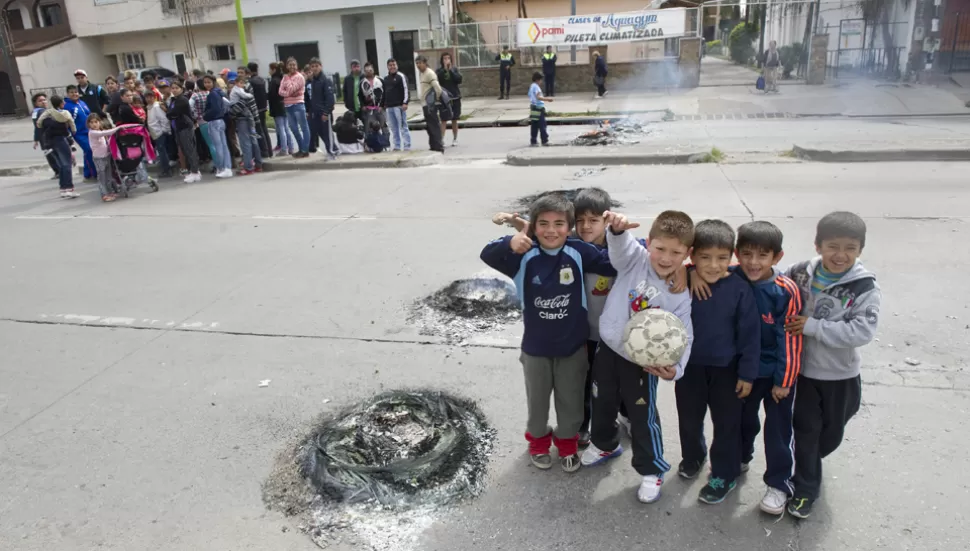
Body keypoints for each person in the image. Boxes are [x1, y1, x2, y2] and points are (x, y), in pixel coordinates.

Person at [480, 194, 615, 472]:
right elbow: (487, 253)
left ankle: (567, 444)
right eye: (543, 223)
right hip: (535, 350)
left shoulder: (578, 251)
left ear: (569, 228)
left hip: (573, 349)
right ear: (533, 227)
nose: (551, 230)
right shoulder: (523, 255)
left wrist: (621, 233)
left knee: (572, 403)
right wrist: (511, 241)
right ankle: (538, 443)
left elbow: (614, 261)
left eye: (559, 224)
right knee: (538, 404)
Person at [581, 210, 694, 505]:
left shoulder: (680, 294)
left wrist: (676, 368)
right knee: (601, 400)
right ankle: (605, 444)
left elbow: (685, 334)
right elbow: (621, 248)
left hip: (643, 363)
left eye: (675, 252)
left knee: (643, 417)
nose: (666, 258)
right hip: (609, 349)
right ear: (649, 243)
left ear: (687, 253)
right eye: (660, 248)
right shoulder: (635, 260)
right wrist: (616, 232)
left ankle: (652, 470)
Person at [692, 221, 803, 515]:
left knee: (778, 432)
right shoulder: (729, 275)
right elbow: (700, 263)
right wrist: (687, 273)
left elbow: (790, 338)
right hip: (745, 372)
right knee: (741, 422)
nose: (754, 263)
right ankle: (739, 459)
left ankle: (779, 484)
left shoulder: (785, 290)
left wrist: (785, 380)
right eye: (747, 254)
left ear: (777, 258)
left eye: (763, 256)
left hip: (778, 374)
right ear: (737, 254)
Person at [784, 212, 880, 519]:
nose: (841, 255)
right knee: (806, 431)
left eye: (850, 248)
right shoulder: (798, 273)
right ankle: (805, 489)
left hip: (841, 375)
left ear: (860, 250)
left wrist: (813, 327)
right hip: (803, 373)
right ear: (818, 245)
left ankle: (811, 459)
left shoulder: (864, 286)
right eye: (833, 246)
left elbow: (862, 331)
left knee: (833, 432)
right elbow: (775, 292)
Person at [677, 220, 760, 505]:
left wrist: (747, 374)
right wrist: (686, 273)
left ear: (732, 256)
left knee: (726, 425)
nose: (713, 265)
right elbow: (659, 270)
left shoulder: (739, 289)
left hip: (728, 370)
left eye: (722, 258)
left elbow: (751, 336)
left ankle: (723, 474)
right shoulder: (682, 280)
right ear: (692, 255)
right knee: (688, 419)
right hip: (689, 368)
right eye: (704, 258)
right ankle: (693, 457)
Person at [35, 95, 78, 198]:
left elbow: (39, 122)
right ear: (61, 103)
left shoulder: (49, 113)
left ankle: (63, 188)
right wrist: (73, 131)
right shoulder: (65, 114)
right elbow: (72, 124)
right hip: (61, 140)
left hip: (51, 141)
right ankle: (69, 188)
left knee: (62, 165)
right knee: (67, 164)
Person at [86, 116, 135, 201]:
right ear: (89, 124)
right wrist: (118, 128)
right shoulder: (93, 133)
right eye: (92, 122)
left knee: (108, 176)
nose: (94, 124)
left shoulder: (99, 131)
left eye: (96, 122)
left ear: (99, 122)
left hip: (106, 156)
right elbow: (106, 133)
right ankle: (104, 194)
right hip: (99, 158)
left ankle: (110, 192)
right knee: (102, 177)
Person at [166, 80, 202, 183]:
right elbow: (169, 114)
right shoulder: (174, 100)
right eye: (172, 88)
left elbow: (173, 112)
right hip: (177, 128)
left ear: (181, 89)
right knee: (184, 150)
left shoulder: (182, 100)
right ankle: (193, 171)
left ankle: (195, 172)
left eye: (176, 88)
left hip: (185, 127)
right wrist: (171, 114)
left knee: (190, 149)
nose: (174, 90)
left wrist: (171, 114)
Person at [230, 72, 263, 175]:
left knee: (245, 143)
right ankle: (258, 164)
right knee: (253, 140)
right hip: (251, 118)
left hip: (242, 119)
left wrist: (231, 111)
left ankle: (248, 167)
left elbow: (237, 108)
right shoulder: (247, 90)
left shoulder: (242, 91)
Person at [202, 75, 233, 177]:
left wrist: (205, 116)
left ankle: (222, 168)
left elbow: (215, 109)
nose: (207, 84)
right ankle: (227, 168)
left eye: (209, 82)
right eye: (205, 82)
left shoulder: (212, 94)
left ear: (213, 82)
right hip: (221, 120)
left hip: (214, 121)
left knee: (218, 146)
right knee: (223, 145)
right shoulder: (219, 92)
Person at [280, 57, 310, 157]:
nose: (292, 66)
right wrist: (288, 92)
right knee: (293, 128)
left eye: (294, 65)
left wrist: (288, 86)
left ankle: (305, 150)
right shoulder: (284, 77)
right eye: (290, 64)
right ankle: (301, 148)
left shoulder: (300, 77)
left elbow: (290, 90)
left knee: (304, 127)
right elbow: (280, 91)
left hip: (298, 105)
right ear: (287, 66)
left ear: (297, 66)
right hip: (288, 106)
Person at [64, 85, 95, 180]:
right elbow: (66, 122)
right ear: (68, 94)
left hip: (89, 131)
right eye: (72, 92)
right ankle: (94, 173)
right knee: (89, 150)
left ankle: (87, 173)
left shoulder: (82, 102)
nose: (74, 94)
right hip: (78, 133)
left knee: (88, 151)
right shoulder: (67, 106)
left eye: (76, 92)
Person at [308, 58, 337, 159]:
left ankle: (331, 152)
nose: (315, 68)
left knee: (327, 133)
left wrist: (326, 113)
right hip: (315, 113)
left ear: (321, 66)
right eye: (312, 66)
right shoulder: (313, 81)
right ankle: (334, 148)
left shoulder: (325, 80)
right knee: (319, 132)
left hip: (324, 113)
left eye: (317, 66)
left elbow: (330, 99)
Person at [415, 56, 445, 153]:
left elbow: (437, 88)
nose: (418, 65)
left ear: (425, 63)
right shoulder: (423, 74)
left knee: (434, 126)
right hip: (425, 104)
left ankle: (439, 146)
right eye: (417, 63)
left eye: (420, 63)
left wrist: (436, 100)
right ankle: (433, 146)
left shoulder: (429, 73)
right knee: (429, 126)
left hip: (430, 105)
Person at [383, 58, 411, 152]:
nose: (392, 67)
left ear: (397, 66)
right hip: (389, 108)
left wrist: (405, 102)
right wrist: (384, 104)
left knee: (403, 127)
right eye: (390, 65)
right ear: (387, 67)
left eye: (394, 65)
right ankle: (397, 146)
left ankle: (407, 146)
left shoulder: (401, 77)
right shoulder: (385, 79)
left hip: (399, 107)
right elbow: (384, 92)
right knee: (394, 129)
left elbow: (406, 90)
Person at [268, 62, 295, 155]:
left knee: (281, 128)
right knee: (286, 128)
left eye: (270, 69)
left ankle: (284, 149)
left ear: (274, 70)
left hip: (277, 107)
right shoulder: (283, 79)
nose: (269, 71)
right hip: (285, 105)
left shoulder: (273, 81)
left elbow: (271, 95)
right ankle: (291, 147)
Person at [31, 93, 60, 179]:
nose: (43, 102)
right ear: (36, 103)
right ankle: (58, 171)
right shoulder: (40, 111)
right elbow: (38, 127)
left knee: (52, 154)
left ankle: (58, 171)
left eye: (44, 100)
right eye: (40, 101)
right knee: (52, 155)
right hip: (47, 138)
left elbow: (36, 127)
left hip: (46, 138)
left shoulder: (37, 112)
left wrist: (36, 139)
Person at [436, 53, 462, 147]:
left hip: (455, 97)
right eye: (444, 58)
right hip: (444, 98)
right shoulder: (439, 71)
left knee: (454, 119)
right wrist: (445, 70)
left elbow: (459, 80)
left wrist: (450, 70)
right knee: (443, 119)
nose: (446, 60)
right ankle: (441, 139)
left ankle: (455, 138)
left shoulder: (454, 70)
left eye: (448, 58)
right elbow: (438, 80)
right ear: (442, 60)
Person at [247, 62, 272, 158]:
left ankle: (264, 151)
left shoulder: (250, 81)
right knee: (264, 129)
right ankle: (269, 150)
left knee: (259, 130)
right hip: (263, 107)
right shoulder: (261, 79)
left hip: (256, 108)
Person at [145, 91, 173, 178]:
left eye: (151, 97)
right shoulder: (149, 107)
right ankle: (165, 169)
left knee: (162, 152)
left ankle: (167, 170)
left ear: (154, 97)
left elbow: (164, 119)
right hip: (155, 133)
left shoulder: (157, 107)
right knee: (161, 152)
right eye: (147, 97)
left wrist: (164, 131)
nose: (149, 99)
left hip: (160, 132)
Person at [358, 62, 386, 140]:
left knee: (384, 126)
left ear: (373, 70)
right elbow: (359, 95)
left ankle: (385, 144)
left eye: (370, 70)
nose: (368, 72)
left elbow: (385, 93)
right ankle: (369, 144)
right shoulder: (362, 82)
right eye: (366, 71)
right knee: (368, 128)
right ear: (364, 71)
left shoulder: (380, 80)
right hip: (368, 109)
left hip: (379, 108)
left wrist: (383, 105)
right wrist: (362, 105)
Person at [528, 72, 552, 147]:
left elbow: (530, 95)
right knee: (542, 125)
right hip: (539, 108)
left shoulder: (531, 86)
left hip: (533, 107)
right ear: (537, 80)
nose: (541, 81)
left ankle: (533, 141)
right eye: (541, 79)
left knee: (534, 125)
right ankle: (544, 140)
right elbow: (538, 97)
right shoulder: (536, 87)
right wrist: (547, 99)